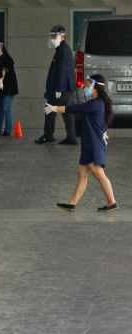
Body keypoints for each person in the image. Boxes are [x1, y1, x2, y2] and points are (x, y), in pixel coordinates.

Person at [50, 75, 118, 212]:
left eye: (87, 85)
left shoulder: (95, 104)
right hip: (90, 144)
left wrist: (54, 108)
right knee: (82, 173)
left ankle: (112, 202)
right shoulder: (99, 102)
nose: (85, 88)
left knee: (99, 173)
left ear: (94, 87)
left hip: (93, 144)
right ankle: (72, 203)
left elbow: (75, 109)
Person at [36, 25, 77, 145]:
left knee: (50, 109)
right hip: (68, 86)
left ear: (61, 36)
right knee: (67, 112)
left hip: (62, 87)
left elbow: (62, 70)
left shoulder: (63, 50)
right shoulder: (63, 49)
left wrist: (58, 88)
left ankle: (48, 135)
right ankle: (71, 137)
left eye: (54, 36)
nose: (53, 39)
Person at [0, 39, 19, 136]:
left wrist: (1, 80)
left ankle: (7, 130)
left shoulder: (7, 58)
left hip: (8, 87)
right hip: (0, 88)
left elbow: (3, 71)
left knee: (6, 108)